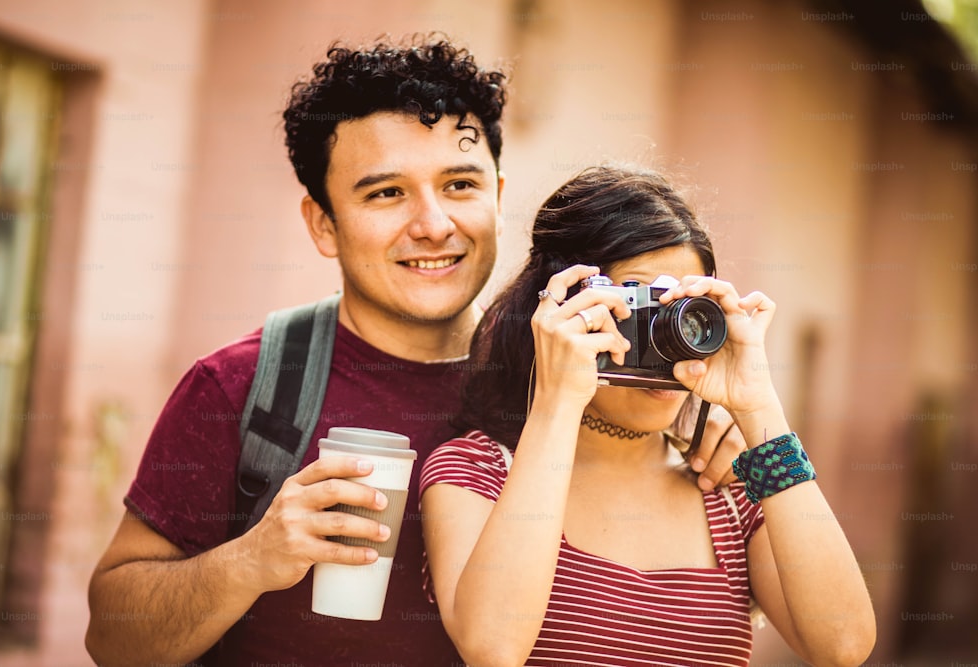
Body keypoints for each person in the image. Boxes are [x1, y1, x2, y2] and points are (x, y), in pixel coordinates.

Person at [84, 35, 744, 666]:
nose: (433, 225)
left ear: (499, 196)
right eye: (386, 193)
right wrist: (252, 558)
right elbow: (113, 638)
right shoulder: (243, 386)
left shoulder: (573, 375)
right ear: (323, 223)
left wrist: (684, 425)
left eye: (460, 185)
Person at [420, 165, 877, 666]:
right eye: (641, 305)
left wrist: (759, 406)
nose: (668, 340)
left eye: (683, 310)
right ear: (561, 310)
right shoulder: (479, 470)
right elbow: (492, 648)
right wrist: (557, 400)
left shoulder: (730, 489)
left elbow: (844, 646)